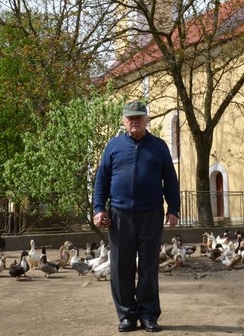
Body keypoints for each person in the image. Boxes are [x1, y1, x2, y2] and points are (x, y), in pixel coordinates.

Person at [93, 100, 180, 333]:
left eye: (139, 117)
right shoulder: (113, 146)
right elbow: (101, 179)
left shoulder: (159, 147)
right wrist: (98, 208)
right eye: (130, 118)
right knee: (121, 267)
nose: (135, 121)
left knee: (149, 267)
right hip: (120, 214)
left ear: (146, 120)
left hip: (151, 214)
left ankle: (149, 314)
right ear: (124, 121)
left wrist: (174, 209)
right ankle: (127, 316)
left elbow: (170, 180)